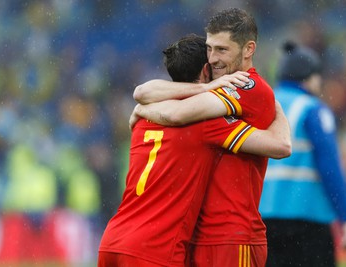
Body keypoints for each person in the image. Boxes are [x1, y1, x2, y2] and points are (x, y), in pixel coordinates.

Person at [98, 34, 291, 267]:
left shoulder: (146, 115)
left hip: (113, 239)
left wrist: (141, 107)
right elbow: (280, 145)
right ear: (205, 70)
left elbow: (142, 93)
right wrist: (274, 104)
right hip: (155, 249)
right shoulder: (204, 123)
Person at [132, 8, 275, 266]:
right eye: (209, 49)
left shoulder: (245, 85)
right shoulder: (217, 88)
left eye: (222, 50)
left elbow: (177, 113)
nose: (212, 59)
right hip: (198, 236)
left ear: (248, 49)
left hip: (233, 234)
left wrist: (143, 111)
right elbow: (142, 91)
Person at [259, 41, 346, 267]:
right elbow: (330, 167)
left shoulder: (262, 105)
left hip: (264, 220)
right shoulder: (313, 109)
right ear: (310, 78)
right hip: (308, 220)